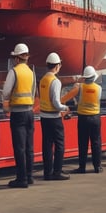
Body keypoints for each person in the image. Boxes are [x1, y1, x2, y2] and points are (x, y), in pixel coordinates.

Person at [2, 43, 36, 188]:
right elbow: (34, 92)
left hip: (18, 113)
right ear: (26, 58)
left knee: (19, 147)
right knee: (29, 147)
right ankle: (29, 176)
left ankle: (21, 179)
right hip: (30, 112)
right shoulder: (31, 72)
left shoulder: (13, 72)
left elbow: (5, 92)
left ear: (16, 59)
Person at [62, 66, 103, 174]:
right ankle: (97, 166)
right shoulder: (98, 88)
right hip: (95, 118)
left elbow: (69, 96)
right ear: (94, 76)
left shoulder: (79, 87)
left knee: (83, 143)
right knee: (96, 143)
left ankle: (82, 167)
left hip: (83, 118)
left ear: (84, 77)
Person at [39, 52, 70, 181]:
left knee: (47, 145)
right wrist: (65, 108)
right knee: (59, 145)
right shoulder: (55, 81)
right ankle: (57, 171)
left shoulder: (43, 80)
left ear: (47, 65)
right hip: (54, 118)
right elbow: (56, 103)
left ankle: (47, 172)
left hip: (44, 117)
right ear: (57, 66)